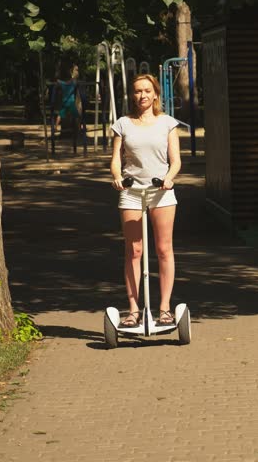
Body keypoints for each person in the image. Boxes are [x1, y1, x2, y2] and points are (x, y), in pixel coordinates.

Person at [109, 74, 182, 328]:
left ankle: (164, 309)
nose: (143, 95)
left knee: (163, 249)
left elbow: (176, 160)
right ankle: (133, 310)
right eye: (138, 91)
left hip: (160, 191)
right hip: (131, 192)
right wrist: (117, 176)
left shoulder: (168, 123)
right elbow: (116, 158)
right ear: (133, 95)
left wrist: (169, 178)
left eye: (147, 90)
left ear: (155, 94)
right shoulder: (123, 124)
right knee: (134, 251)